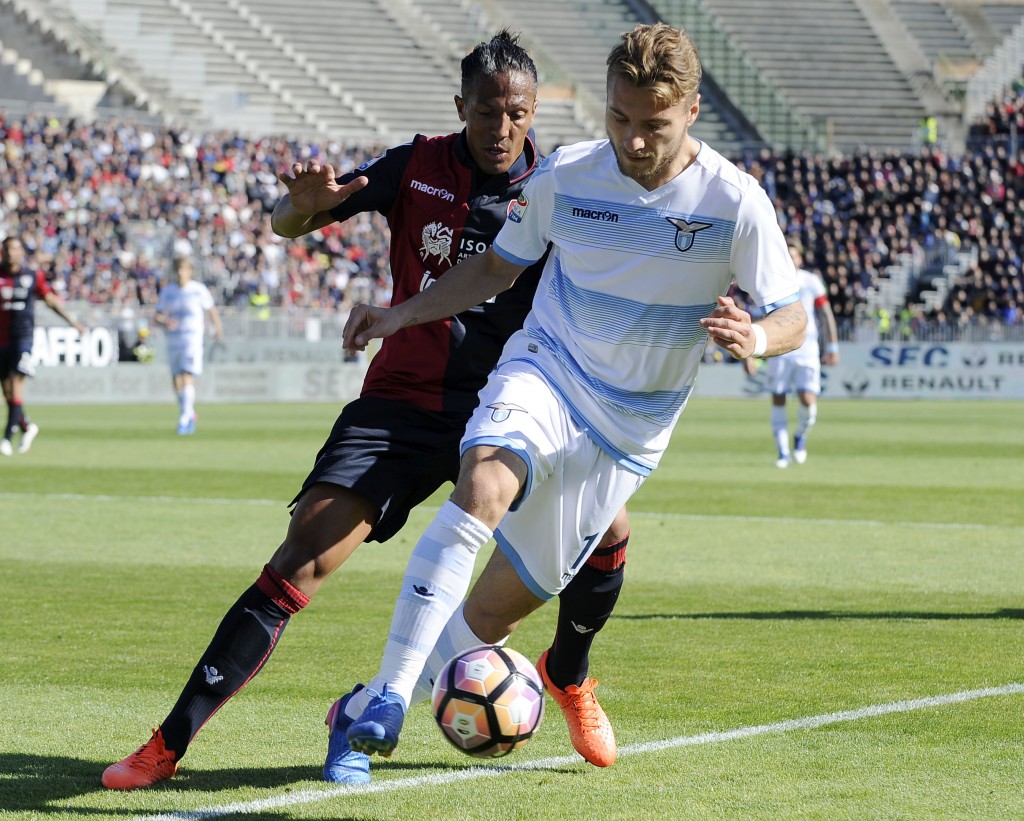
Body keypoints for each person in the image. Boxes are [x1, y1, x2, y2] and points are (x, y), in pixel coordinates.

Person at [102, 30, 628, 791]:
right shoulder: (416, 165)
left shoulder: (559, 185)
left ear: (535, 109)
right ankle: (166, 744)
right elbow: (295, 219)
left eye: (515, 113)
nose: (501, 128)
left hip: (514, 403)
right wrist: (299, 208)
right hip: (403, 404)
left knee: (607, 526)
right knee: (301, 558)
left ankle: (569, 675)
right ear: (461, 108)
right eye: (486, 112)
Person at [338, 22, 806, 761]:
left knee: (496, 610)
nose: (634, 140)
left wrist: (757, 337)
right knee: (484, 481)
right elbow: (495, 268)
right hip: (548, 371)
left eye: (652, 124)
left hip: (628, 430)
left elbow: (794, 313)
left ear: (690, 111)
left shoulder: (734, 202)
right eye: (619, 118)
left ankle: (362, 703)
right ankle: (391, 696)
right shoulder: (564, 175)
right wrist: (398, 314)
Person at [746, 243, 839, 468]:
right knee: (778, 397)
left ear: (800, 259)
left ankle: (800, 436)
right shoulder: (769, 280)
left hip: (807, 350)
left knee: (808, 401)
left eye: (794, 255)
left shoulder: (810, 281)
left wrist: (833, 346)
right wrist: (749, 353)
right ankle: (782, 453)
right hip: (779, 348)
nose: (790, 258)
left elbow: (825, 313)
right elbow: (755, 318)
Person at [0, 236, 86, 456]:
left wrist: (72, 322)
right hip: (2, 341)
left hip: (23, 339)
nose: (11, 253)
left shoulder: (31, 276)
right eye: (8, 249)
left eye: (15, 249)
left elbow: (51, 301)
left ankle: (7, 436)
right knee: (7, 391)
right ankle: (27, 427)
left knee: (17, 380)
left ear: (21, 252)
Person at [152, 256, 223, 435]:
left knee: (186, 376)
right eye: (178, 269)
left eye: (183, 269)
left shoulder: (198, 290)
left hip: (192, 339)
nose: (180, 272)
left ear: (190, 271)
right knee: (176, 379)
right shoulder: (168, 291)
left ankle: (184, 419)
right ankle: (188, 412)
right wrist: (165, 321)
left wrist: (217, 328)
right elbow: (157, 316)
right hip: (173, 340)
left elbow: (211, 309)